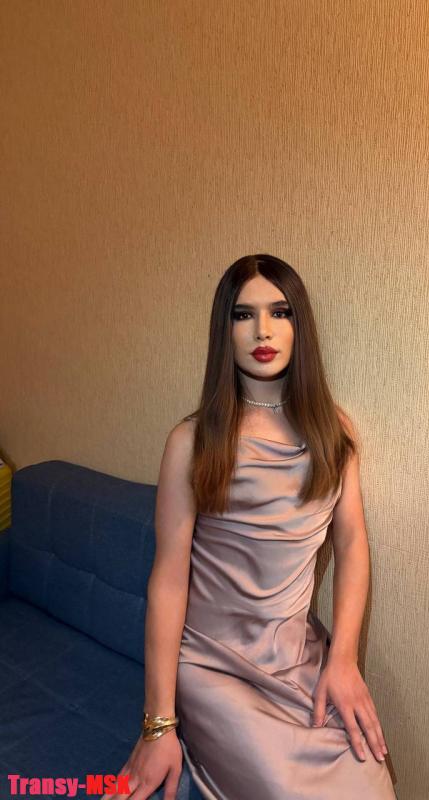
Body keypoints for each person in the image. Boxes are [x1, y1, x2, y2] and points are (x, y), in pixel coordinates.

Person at [105, 255, 397, 800]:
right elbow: (168, 580)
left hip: (298, 658)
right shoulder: (192, 442)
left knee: (371, 783)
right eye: (244, 315)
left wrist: (344, 659)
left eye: (279, 312)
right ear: (225, 330)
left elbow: (352, 542)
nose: (263, 330)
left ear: (299, 325)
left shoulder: (334, 432)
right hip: (213, 665)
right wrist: (158, 726)